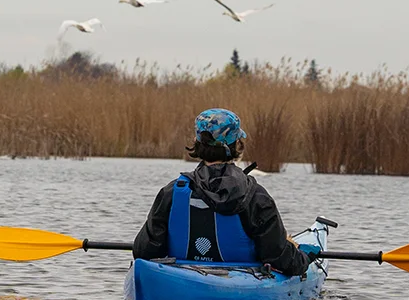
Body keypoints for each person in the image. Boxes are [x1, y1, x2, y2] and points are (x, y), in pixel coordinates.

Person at [133, 108, 311, 276]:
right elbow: (279, 259)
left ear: (197, 144)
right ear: (238, 146)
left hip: (181, 277)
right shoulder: (256, 196)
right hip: (240, 283)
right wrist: (304, 258)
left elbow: (143, 251)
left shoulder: (172, 192)